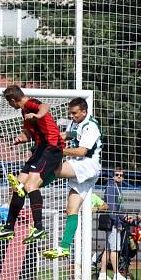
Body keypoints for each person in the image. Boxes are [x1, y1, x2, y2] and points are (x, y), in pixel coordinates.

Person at [0, 85, 65, 244]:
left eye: (9, 103)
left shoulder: (30, 104)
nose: (10, 106)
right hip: (40, 149)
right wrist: (20, 138)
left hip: (52, 148)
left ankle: (39, 228)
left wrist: (37, 115)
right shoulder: (24, 112)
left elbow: (44, 107)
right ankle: (9, 227)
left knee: (30, 186)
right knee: (18, 185)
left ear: (13, 100)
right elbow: (28, 134)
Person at [41, 97, 102, 260]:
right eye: (71, 113)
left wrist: (60, 150)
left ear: (84, 111)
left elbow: (82, 151)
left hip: (88, 164)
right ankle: (64, 248)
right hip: (83, 169)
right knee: (71, 210)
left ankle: (29, 188)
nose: (72, 116)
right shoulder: (77, 122)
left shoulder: (91, 126)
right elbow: (70, 134)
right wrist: (50, 139)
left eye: (75, 113)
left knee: (54, 168)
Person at [97, 169, 128, 280]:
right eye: (117, 175)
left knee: (108, 248)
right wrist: (117, 221)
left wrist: (124, 217)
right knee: (115, 249)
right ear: (113, 176)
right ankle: (116, 274)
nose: (119, 176)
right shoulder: (111, 187)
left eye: (121, 175)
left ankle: (103, 272)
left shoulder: (117, 188)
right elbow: (110, 207)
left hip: (115, 220)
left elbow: (119, 207)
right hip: (113, 222)